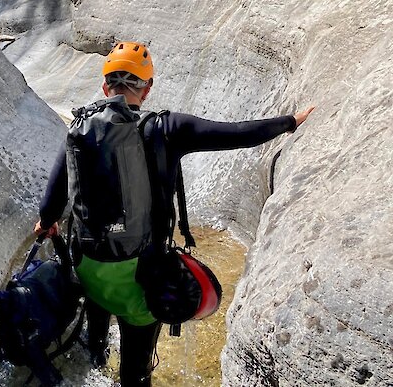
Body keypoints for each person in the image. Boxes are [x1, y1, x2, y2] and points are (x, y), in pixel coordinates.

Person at [34, 41, 314, 387]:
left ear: (106, 87)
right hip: (140, 275)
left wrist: (46, 225)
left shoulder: (81, 126)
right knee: (135, 375)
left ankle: (94, 362)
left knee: (96, 340)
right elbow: (238, 133)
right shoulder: (167, 128)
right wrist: (290, 121)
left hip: (89, 265)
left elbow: (53, 197)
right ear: (147, 88)